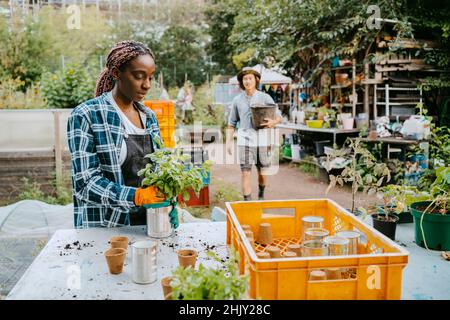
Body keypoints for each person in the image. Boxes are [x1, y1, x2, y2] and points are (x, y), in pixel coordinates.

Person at [67, 40, 165, 228]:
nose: (146, 85)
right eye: (139, 76)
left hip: (149, 225)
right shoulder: (87, 115)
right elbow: (85, 183)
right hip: (107, 228)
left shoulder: (148, 116)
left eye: (151, 78)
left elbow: (159, 167)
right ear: (116, 73)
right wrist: (135, 196)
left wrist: (168, 201)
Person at [226, 67, 282, 201]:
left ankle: (261, 195)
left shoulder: (265, 97)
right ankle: (248, 203)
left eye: (250, 78)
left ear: (256, 80)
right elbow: (231, 122)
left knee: (262, 172)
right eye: (245, 79)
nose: (247, 81)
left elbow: (278, 116)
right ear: (241, 82)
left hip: (262, 140)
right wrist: (228, 141)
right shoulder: (237, 100)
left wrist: (272, 123)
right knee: (245, 172)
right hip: (244, 140)